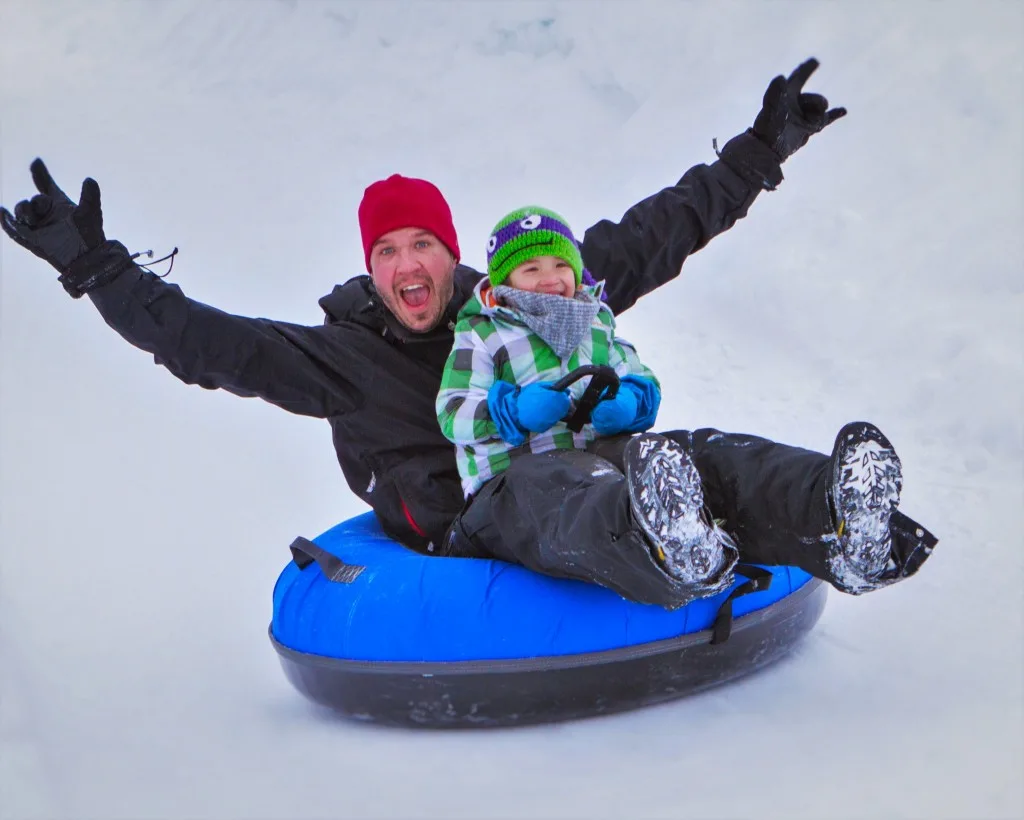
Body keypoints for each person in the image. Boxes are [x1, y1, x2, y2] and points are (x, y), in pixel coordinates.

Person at [0, 57, 934, 611]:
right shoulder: (340, 357)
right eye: (388, 252)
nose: (408, 267)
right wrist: (98, 272)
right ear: (371, 270)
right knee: (549, 487)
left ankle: (840, 515)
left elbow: (656, 233)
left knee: (696, 452)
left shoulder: (525, 296)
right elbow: (206, 345)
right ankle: (662, 548)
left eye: (423, 246)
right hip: (485, 515)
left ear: (451, 254)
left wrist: (756, 154)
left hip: (606, 465)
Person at [437, 205, 738, 600]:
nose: (550, 279)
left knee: (676, 448)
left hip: (592, 464)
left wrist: (631, 401)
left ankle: (815, 499)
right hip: (508, 488)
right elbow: (452, 411)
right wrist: (511, 411)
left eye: (561, 264)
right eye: (531, 269)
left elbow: (641, 378)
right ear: (504, 279)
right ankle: (659, 543)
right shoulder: (483, 331)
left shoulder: (596, 322)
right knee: (547, 485)